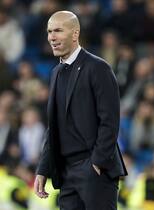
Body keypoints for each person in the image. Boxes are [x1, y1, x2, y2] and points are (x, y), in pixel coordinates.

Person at [33, 10, 127, 210]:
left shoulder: (98, 68)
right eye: (49, 32)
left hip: (94, 170)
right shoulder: (56, 73)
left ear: (75, 34)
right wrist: (43, 169)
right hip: (66, 172)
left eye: (58, 30)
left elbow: (110, 121)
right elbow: (54, 127)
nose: (52, 37)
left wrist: (97, 163)